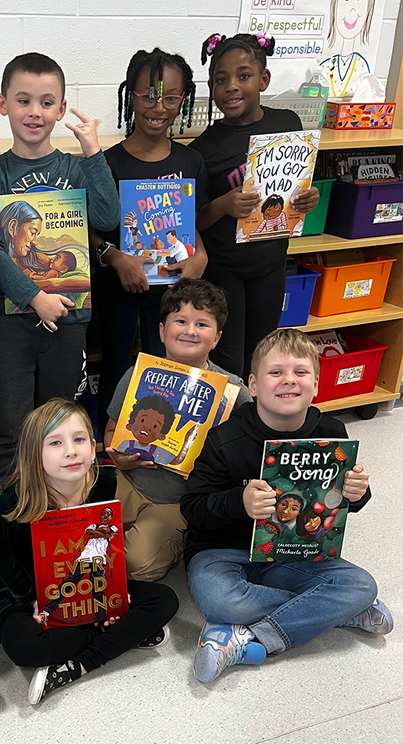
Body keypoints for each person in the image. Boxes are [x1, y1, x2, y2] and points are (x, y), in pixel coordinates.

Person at [180, 328, 393, 684]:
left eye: (300, 372)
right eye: (275, 372)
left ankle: (246, 638)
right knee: (219, 599)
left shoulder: (331, 431)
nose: (288, 381)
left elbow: (337, 504)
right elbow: (192, 507)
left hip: (294, 552)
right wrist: (239, 501)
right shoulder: (225, 438)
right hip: (221, 551)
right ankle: (336, 611)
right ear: (253, 384)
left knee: (361, 586)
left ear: (316, 385)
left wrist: (357, 494)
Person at [0, 52, 120, 519]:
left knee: (61, 423)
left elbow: (107, 218)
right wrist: (34, 296)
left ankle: (59, 510)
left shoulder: (77, 168)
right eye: (23, 101)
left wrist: (93, 151)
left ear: (60, 110)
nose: (34, 112)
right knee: (11, 425)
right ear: (3, 104)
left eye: (46, 102)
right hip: (10, 320)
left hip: (68, 318)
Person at [0, 399, 178, 704]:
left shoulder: (106, 483)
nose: (71, 451)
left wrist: (112, 591)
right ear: (35, 454)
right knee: (24, 647)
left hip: (91, 584)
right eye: (56, 442)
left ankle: (79, 665)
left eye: (79, 439)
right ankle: (121, 634)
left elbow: (108, 545)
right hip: (32, 591)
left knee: (165, 599)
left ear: (92, 444)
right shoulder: (16, 499)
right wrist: (31, 598)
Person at [91, 48, 210, 428]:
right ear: (131, 97)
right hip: (118, 290)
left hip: (170, 295)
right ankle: (110, 447)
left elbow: (194, 227)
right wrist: (114, 256)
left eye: (171, 97)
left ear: (183, 101)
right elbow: (83, 227)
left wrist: (200, 256)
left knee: (167, 368)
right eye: (148, 95)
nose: (159, 107)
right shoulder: (107, 162)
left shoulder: (190, 162)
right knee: (115, 365)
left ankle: (160, 437)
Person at [103, 279, 252, 582]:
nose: (190, 330)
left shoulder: (234, 391)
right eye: (181, 321)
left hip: (179, 501)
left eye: (202, 324)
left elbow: (249, 455)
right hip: (128, 480)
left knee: (137, 566)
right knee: (70, 533)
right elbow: (111, 432)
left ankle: (178, 536)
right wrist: (119, 459)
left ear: (217, 338)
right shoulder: (137, 374)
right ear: (161, 331)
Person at [191, 33, 320, 379]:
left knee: (264, 352)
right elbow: (196, 220)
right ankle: (233, 423)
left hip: (271, 262)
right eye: (221, 79)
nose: (231, 87)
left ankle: (259, 422)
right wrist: (223, 204)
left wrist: (309, 198)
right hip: (225, 269)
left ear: (263, 79)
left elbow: (300, 187)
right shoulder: (204, 148)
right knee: (229, 358)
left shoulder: (287, 124)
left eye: (243, 76)